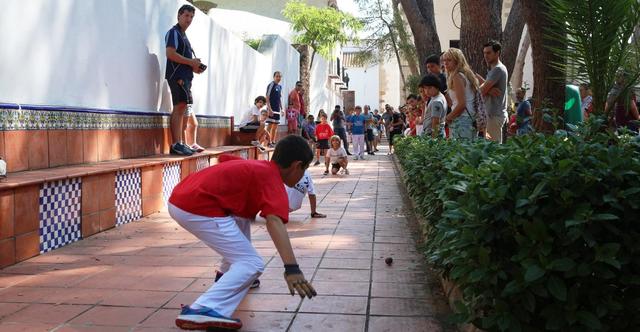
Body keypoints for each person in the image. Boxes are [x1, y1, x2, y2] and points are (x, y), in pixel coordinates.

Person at [169, 135, 317, 331]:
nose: (303, 175)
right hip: (196, 206)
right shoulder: (271, 179)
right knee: (252, 263)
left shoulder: (260, 167)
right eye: (305, 169)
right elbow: (274, 222)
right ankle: (203, 309)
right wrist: (292, 268)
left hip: (183, 197)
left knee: (242, 221)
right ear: (296, 165)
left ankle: (224, 279)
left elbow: (226, 159)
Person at [165, 4, 204, 156]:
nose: (189, 19)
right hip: (177, 76)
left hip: (186, 77)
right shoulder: (173, 32)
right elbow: (170, 54)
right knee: (179, 106)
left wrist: (195, 66)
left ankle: (181, 143)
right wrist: (190, 62)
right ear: (179, 16)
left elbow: (183, 58)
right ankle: (176, 144)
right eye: (186, 16)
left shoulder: (184, 36)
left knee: (183, 108)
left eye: (191, 17)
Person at [443, 48, 480, 140]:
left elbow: (462, 104)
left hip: (462, 119)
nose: (445, 63)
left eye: (449, 60)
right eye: (444, 60)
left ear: (457, 61)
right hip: (470, 118)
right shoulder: (466, 75)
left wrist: (448, 118)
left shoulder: (457, 76)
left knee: (460, 152)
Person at [476, 40, 508, 143]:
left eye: (489, 53)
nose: (485, 55)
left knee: (493, 151)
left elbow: (480, 92)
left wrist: (486, 89)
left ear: (497, 52)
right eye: (484, 53)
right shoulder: (493, 69)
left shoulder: (498, 69)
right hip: (491, 115)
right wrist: (489, 89)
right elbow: (485, 89)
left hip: (493, 115)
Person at [266, 71, 284, 147]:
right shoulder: (271, 85)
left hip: (277, 110)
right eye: (277, 76)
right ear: (274, 77)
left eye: (279, 76)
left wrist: (282, 109)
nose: (278, 78)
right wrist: (269, 109)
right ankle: (267, 142)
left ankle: (273, 142)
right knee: (270, 125)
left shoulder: (279, 87)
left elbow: (279, 99)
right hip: (271, 109)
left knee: (275, 126)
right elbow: (267, 97)